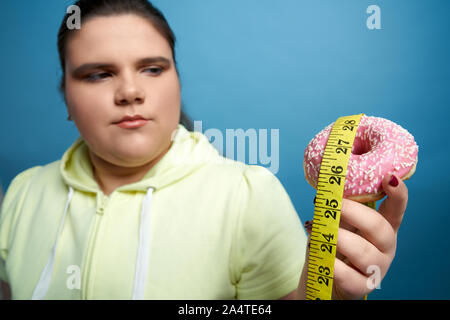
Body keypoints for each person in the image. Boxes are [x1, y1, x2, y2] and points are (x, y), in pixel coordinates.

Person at [0, 0, 408, 300]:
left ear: (177, 80)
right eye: (98, 74)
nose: (130, 92)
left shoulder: (249, 193)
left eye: (153, 68)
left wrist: (329, 295)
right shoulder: (21, 193)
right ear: (65, 98)